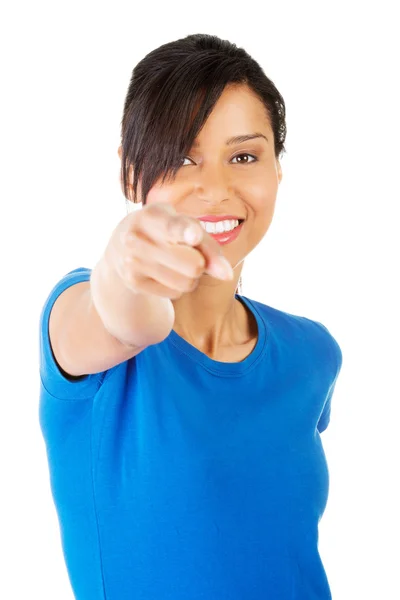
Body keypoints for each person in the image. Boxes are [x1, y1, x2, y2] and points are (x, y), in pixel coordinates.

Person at [38, 33, 342, 600]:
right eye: (182, 158)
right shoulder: (77, 315)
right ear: (132, 175)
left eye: (245, 156)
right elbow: (124, 318)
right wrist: (124, 260)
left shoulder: (312, 352)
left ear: (277, 170)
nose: (217, 188)